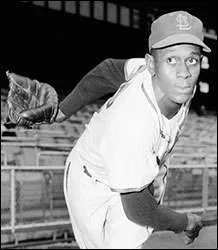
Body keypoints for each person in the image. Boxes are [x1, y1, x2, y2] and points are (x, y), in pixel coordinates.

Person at [7, 10, 211, 249]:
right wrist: (184, 222)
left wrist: (61, 111)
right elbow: (138, 209)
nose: (184, 72)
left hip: (135, 181)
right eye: (171, 59)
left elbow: (108, 70)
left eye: (192, 59)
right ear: (151, 64)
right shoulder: (134, 122)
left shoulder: (173, 82)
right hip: (90, 183)